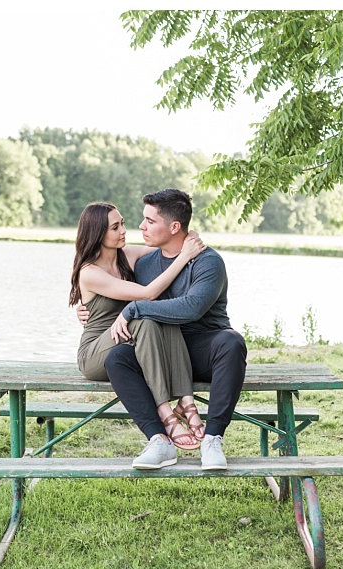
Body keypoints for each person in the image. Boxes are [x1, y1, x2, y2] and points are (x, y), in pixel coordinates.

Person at [87, 189, 247, 471]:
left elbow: (191, 308)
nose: (140, 226)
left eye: (149, 221)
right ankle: (159, 440)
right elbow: (97, 267)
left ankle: (212, 439)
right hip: (160, 355)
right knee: (117, 358)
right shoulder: (144, 262)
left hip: (202, 352)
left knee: (231, 342)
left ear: (174, 227)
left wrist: (133, 309)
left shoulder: (208, 262)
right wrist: (88, 309)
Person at [70, 201, 207, 467]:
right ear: (98, 233)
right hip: (95, 353)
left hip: (125, 342)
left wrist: (191, 239)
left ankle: (186, 401)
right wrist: (184, 257)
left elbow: (172, 243)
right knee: (145, 314)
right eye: (115, 227)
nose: (124, 230)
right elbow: (147, 294)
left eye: (122, 223)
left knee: (163, 314)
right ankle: (165, 412)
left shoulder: (128, 255)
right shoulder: (89, 273)